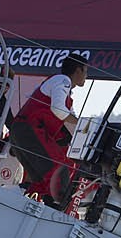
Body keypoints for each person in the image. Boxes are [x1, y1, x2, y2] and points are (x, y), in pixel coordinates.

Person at [10, 55, 88, 207]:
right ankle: (56, 208)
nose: (86, 76)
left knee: (41, 180)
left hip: (21, 132)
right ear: (78, 70)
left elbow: (69, 119)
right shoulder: (63, 80)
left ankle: (28, 203)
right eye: (85, 71)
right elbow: (58, 110)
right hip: (29, 130)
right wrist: (84, 126)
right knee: (60, 168)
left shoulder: (61, 87)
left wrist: (82, 129)